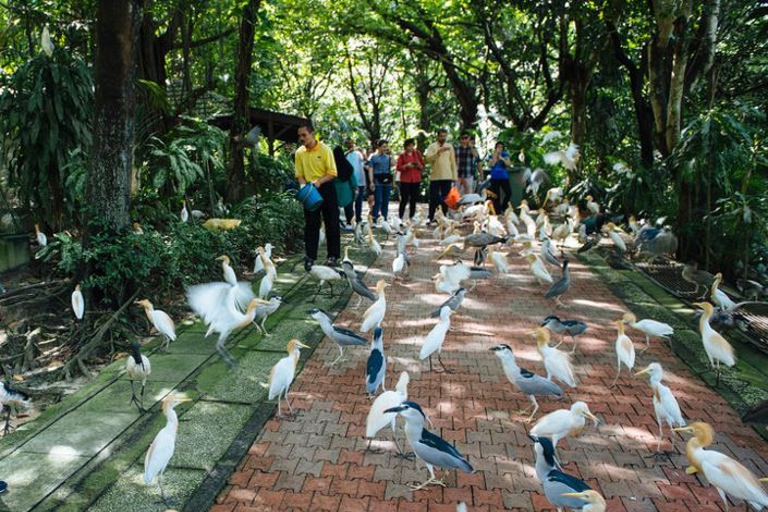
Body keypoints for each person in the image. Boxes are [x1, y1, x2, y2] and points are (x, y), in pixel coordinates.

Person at [295, 122, 340, 270]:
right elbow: (299, 175)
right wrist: (304, 189)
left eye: (304, 135)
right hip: (310, 190)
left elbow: (332, 172)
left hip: (326, 187)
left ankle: (333, 256)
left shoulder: (325, 150)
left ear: (312, 134)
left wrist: (319, 182)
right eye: (300, 136)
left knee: (331, 222)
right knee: (311, 224)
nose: (302, 138)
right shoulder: (299, 153)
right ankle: (310, 256)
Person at [424, 128, 457, 224]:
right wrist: (438, 152)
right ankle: (430, 217)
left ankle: (444, 217)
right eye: (441, 136)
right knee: (433, 197)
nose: (443, 138)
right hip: (435, 176)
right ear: (437, 136)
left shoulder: (449, 146)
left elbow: (453, 162)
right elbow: (428, 159)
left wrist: (454, 177)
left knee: (446, 198)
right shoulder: (432, 146)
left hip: (447, 176)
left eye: (444, 136)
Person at [395, 138, 425, 220]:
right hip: (405, 180)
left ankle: (412, 215)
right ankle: (400, 216)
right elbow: (399, 167)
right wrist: (406, 166)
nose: (411, 147)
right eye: (409, 146)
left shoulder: (417, 154)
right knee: (404, 198)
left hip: (416, 179)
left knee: (414, 198)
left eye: (412, 145)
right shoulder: (402, 156)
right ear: (406, 147)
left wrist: (418, 165)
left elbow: (422, 166)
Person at [368, 139, 394, 223]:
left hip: (387, 180)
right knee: (378, 200)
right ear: (378, 147)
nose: (385, 148)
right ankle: (374, 219)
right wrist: (371, 182)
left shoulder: (388, 157)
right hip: (377, 180)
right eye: (383, 147)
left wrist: (391, 154)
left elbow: (393, 164)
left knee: (386, 201)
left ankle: (384, 219)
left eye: (386, 147)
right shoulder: (373, 157)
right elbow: (370, 169)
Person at [333, 145, 357, 230]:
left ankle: (336, 223)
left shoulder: (331, 164)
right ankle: (349, 224)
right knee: (348, 207)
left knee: (335, 207)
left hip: (334, 188)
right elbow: (352, 176)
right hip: (346, 188)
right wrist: (354, 187)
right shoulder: (347, 164)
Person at [345, 138, 369, 224]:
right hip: (350, 182)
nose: (350, 145)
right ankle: (351, 219)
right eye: (348, 144)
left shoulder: (358, 153)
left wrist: (362, 152)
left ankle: (358, 218)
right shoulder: (346, 155)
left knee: (358, 201)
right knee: (350, 202)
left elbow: (366, 161)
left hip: (360, 181)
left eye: (351, 143)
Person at [487, 142, 512, 212]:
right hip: (495, 177)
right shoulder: (491, 155)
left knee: (508, 192)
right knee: (496, 195)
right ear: (496, 148)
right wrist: (495, 157)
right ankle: (497, 211)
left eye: (501, 147)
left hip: (504, 177)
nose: (500, 148)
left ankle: (504, 207)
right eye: (498, 147)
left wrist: (502, 159)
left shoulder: (505, 155)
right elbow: (490, 165)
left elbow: (509, 164)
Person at [455, 131, 480, 196]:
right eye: (462, 138)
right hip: (458, 175)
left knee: (469, 194)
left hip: (468, 175)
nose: (464, 140)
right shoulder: (456, 149)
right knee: (455, 194)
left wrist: (470, 146)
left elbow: (476, 156)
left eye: (466, 138)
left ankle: (469, 206)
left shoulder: (472, 149)